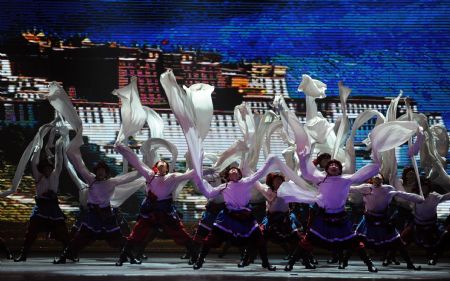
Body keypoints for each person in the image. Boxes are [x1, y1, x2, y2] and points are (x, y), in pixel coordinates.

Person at [284, 149, 381, 273]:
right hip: (323, 217)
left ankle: (369, 264)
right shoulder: (320, 179)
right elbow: (306, 173)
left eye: (336, 165)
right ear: (327, 169)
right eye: (331, 165)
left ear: (340, 169)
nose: (333, 166)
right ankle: (291, 263)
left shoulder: (346, 179)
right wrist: (303, 158)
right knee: (308, 240)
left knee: (355, 242)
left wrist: (377, 163)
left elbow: (364, 173)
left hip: (341, 218)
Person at [53, 141, 140, 264]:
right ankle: (63, 257)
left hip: (106, 216)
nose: (100, 172)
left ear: (106, 172)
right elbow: (80, 166)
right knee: (80, 238)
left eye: (102, 170)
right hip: (92, 216)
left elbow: (129, 177)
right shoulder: (91, 179)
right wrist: (72, 152)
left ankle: (131, 258)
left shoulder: (111, 182)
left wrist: (142, 170)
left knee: (118, 239)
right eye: (98, 170)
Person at [114, 143, 197, 266]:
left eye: (164, 164)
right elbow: (136, 161)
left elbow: (191, 174)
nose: (162, 163)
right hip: (150, 211)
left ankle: (195, 255)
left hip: (166, 211)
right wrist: (123, 149)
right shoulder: (150, 175)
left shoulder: (173, 177)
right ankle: (123, 256)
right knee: (136, 233)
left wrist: (199, 163)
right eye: (160, 163)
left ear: (167, 168)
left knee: (180, 233)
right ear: (156, 167)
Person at [192, 156, 281, 271]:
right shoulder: (224, 186)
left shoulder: (247, 181)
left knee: (259, 238)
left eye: (236, 170)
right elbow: (209, 193)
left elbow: (259, 173)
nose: (233, 171)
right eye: (231, 171)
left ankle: (265, 263)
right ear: (228, 176)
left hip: (246, 216)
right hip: (228, 216)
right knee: (211, 239)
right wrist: (200, 180)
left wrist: (269, 162)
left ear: (239, 175)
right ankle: (199, 260)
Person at [15, 135, 71, 262]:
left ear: (51, 168)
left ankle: (69, 254)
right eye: (45, 168)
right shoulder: (38, 176)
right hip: (40, 209)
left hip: (53, 209)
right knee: (31, 232)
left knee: (62, 233)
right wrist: (38, 148)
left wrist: (59, 146)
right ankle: (23, 255)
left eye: (49, 168)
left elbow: (59, 161)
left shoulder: (55, 175)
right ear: (42, 169)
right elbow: (33, 162)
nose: (47, 169)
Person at [350, 173, 424, 270]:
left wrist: (420, 199)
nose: (377, 178)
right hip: (369, 220)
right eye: (375, 176)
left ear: (382, 179)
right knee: (355, 240)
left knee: (398, 242)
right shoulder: (366, 188)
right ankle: (354, 262)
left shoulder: (388, 188)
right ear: (371, 179)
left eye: (379, 177)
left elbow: (404, 195)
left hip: (383, 220)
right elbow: (350, 189)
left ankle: (410, 263)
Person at [400, 178, 450, 265]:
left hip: (432, 226)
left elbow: (446, 196)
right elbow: (402, 197)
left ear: (428, 187)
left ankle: (434, 257)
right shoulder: (414, 197)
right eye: (422, 187)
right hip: (417, 225)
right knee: (400, 239)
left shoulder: (434, 196)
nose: (423, 189)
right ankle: (390, 258)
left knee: (444, 236)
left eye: (425, 187)